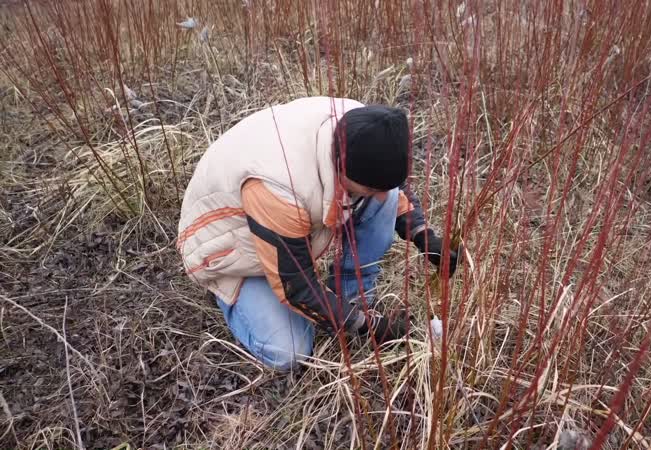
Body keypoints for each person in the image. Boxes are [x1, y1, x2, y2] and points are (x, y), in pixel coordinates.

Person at [177, 96, 460, 371]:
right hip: (227, 247)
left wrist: (423, 235)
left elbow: (389, 185)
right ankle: (229, 296)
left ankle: (351, 298)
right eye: (372, 190)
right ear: (342, 171)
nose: (385, 198)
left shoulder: (365, 128)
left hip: (277, 222)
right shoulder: (280, 188)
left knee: (382, 201)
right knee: (288, 350)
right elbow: (297, 288)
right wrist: (370, 327)